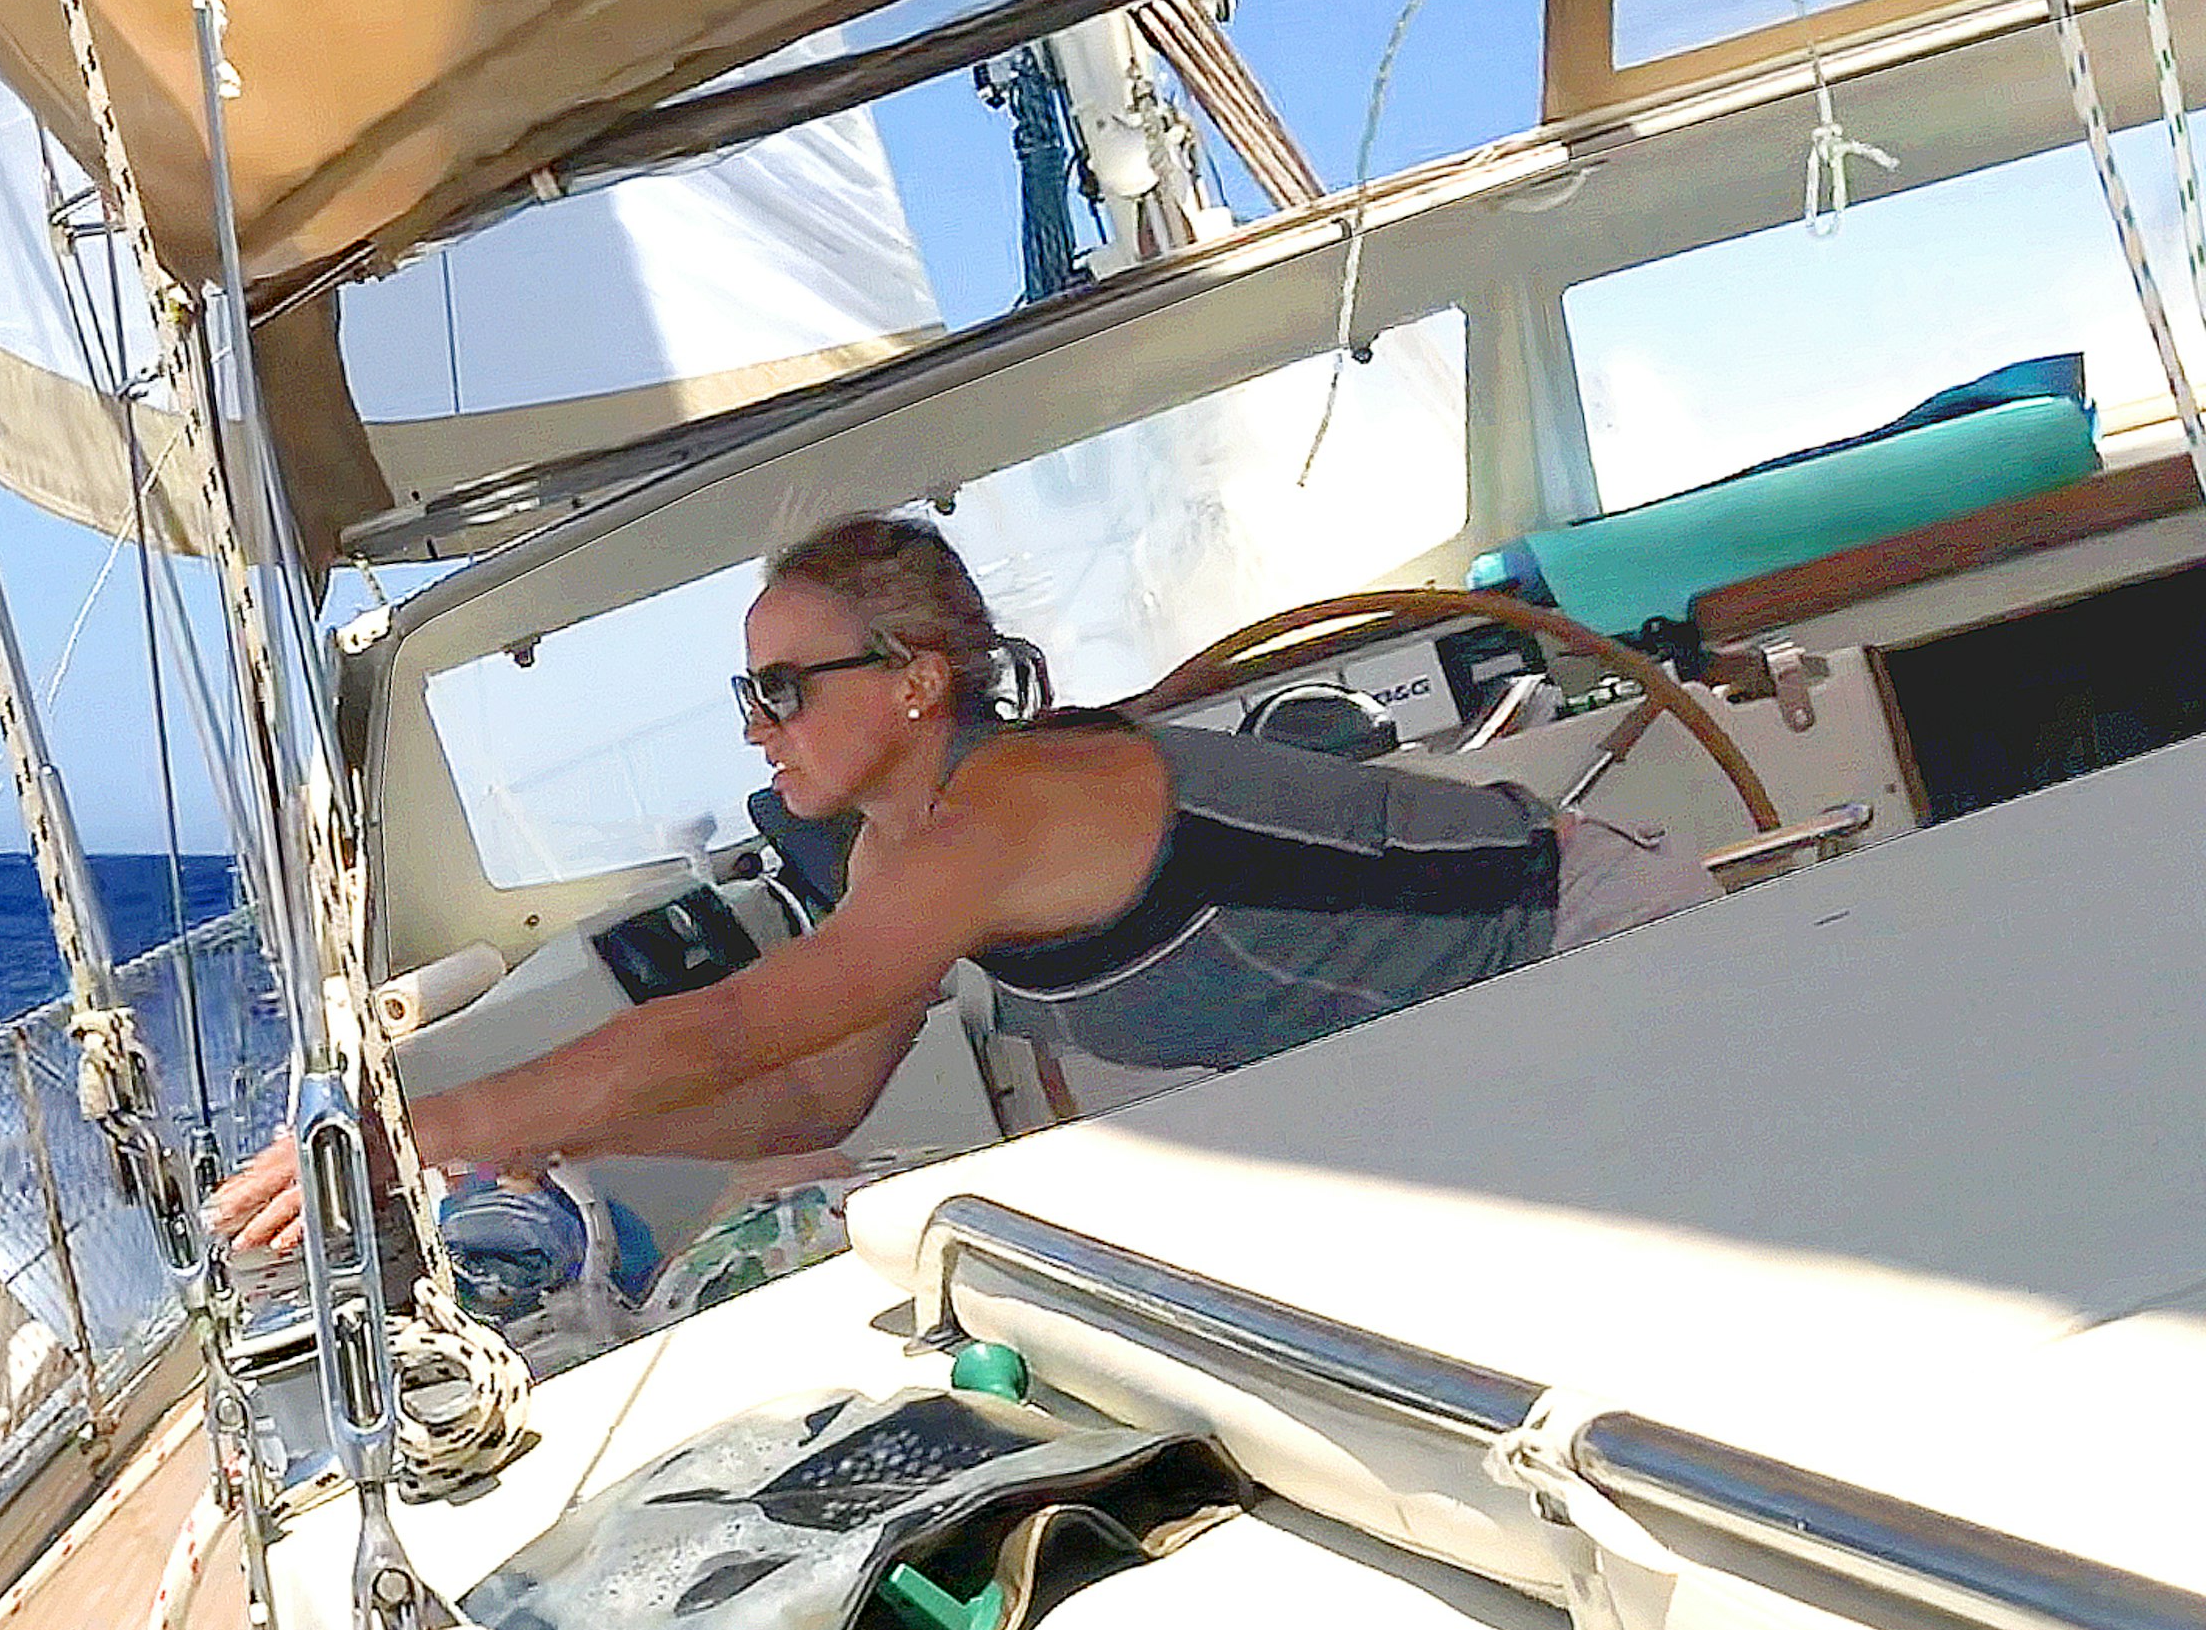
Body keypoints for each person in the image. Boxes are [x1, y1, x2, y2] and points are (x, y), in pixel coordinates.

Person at [209, 509, 1716, 1251]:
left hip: (1586, 937)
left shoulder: (1000, 812)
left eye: (785, 688)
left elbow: (739, 1027)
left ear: (919, 679)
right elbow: (813, 1098)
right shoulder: (897, 850)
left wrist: (419, 1131)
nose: (756, 728)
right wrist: (554, 1146)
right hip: (1451, 1040)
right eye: (747, 698)